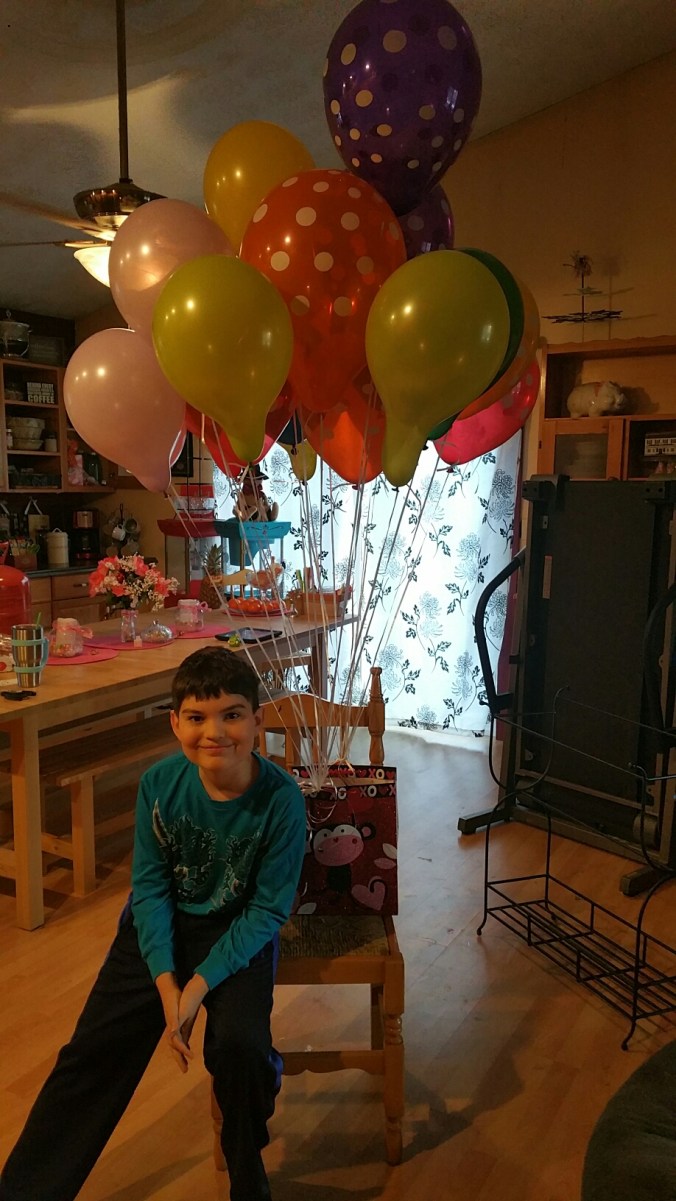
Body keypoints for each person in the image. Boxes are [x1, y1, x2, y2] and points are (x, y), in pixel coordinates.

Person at [0, 646, 307, 1201]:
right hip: (161, 925)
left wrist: (198, 985)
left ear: (257, 720)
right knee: (92, 1055)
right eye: (196, 717)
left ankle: (247, 1172)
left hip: (238, 933)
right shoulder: (159, 785)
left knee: (241, 1049)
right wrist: (167, 984)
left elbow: (266, 909)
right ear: (175, 724)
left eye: (232, 714)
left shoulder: (282, 800)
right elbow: (150, 890)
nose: (214, 732)